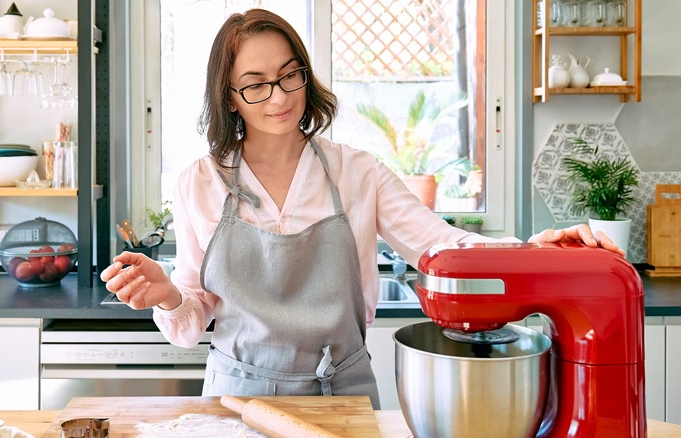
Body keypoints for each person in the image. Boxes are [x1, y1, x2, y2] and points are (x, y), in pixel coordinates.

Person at [100, 9, 622, 410]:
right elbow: (192, 321)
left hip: (340, 396)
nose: (279, 96)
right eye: (256, 84)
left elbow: (442, 245)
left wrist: (532, 252)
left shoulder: (356, 173)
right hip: (235, 401)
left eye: (289, 74)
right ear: (230, 97)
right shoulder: (201, 180)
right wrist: (168, 295)